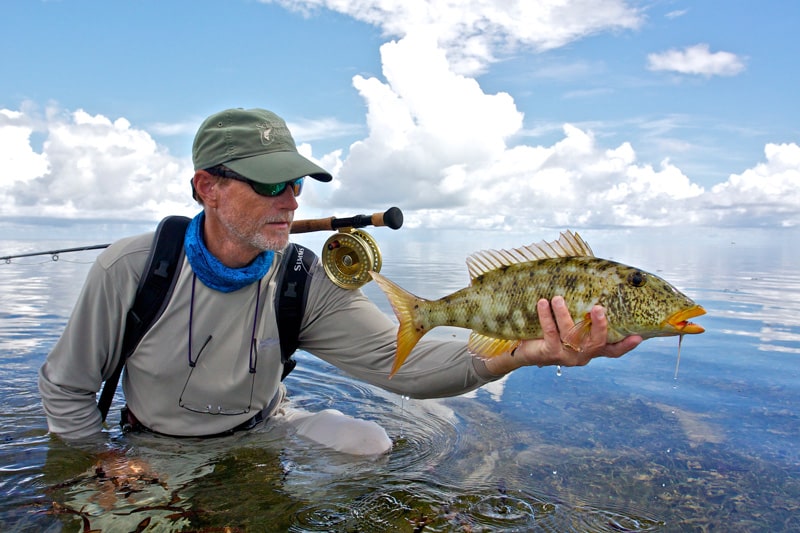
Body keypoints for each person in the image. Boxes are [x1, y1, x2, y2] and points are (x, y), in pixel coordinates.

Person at [38, 107, 642, 454]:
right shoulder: (131, 268)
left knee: (370, 446)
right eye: (269, 184)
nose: (290, 199)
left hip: (264, 430)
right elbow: (66, 390)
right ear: (207, 188)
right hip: (150, 446)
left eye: (296, 184)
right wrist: (102, 463)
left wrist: (523, 352)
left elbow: (400, 364)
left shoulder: (306, 280)